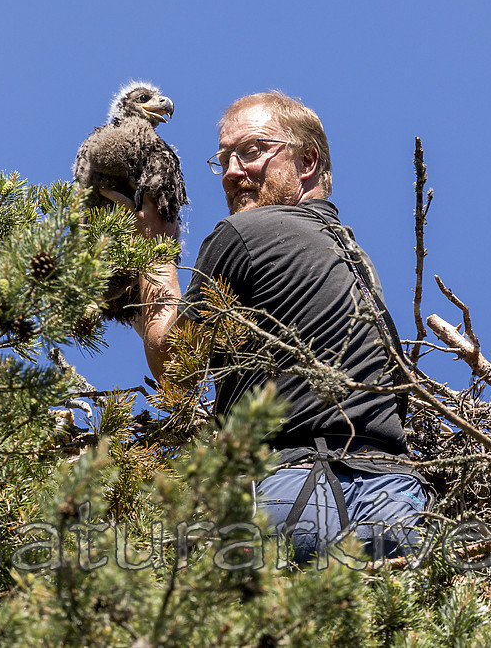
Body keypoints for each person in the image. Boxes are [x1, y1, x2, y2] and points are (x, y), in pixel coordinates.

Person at [112, 91, 427, 564]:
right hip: (394, 494)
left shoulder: (247, 233)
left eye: (253, 150)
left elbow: (176, 365)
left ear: (307, 161)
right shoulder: (351, 258)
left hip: (293, 488)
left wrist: (155, 243)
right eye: (223, 159)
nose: (233, 172)